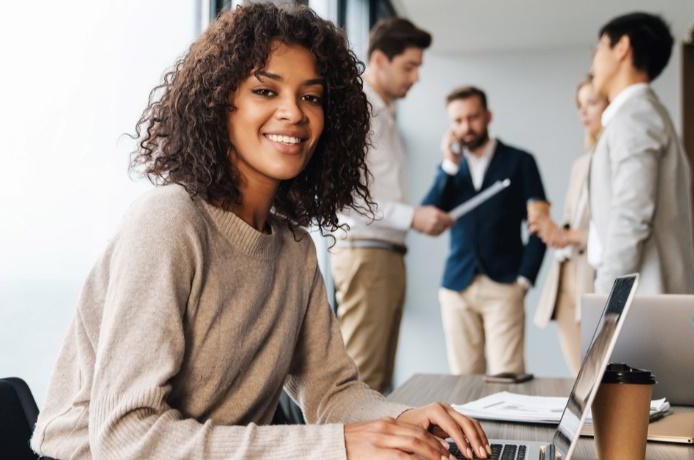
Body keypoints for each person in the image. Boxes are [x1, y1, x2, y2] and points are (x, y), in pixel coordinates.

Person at [30, 5, 491, 459]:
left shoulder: (294, 249)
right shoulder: (169, 221)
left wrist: (401, 421)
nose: (294, 112)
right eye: (265, 91)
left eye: (311, 97)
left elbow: (332, 392)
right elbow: (125, 436)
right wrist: (338, 445)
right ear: (218, 101)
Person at [332, 17, 452, 393]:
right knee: (363, 381)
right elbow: (346, 199)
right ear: (380, 60)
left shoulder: (384, 113)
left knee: (378, 380)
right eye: (409, 66)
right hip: (368, 253)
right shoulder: (361, 111)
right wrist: (412, 216)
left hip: (384, 253)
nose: (416, 77)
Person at [422, 86, 547, 376]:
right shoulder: (450, 170)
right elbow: (427, 216)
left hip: (505, 284)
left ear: (488, 116)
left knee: (508, 376)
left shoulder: (520, 161)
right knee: (463, 379)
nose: (466, 127)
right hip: (457, 286)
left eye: (473, 117)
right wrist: (449, 167)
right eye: (458, 121)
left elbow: (540, 224)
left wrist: (525, 279)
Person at [585, 12, 694, 295]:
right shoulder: (642, 114)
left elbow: (632, 214)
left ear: (622, 47)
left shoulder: (635, 116)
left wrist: (604, 293)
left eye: (598, 49)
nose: (593, 63)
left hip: (641, 298)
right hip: (644, 295)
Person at [532, 77, 608, 375]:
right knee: (579, 377)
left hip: (593, 277)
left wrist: (568, 235)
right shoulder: (582, 164)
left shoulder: (615, 160)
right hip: (565, 278)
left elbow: (617, 231)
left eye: (592, 103)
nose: (584, 113)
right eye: (580, 105)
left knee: (598, 376)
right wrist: (551, 230)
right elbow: (572, 223)